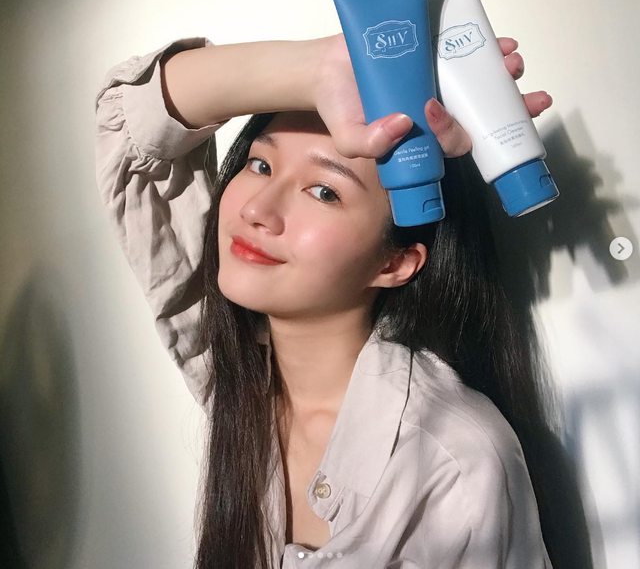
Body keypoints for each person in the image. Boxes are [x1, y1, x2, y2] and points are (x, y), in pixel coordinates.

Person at [94, 32, 555, 568]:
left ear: (396, 262)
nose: (257, 209)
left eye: (324, 191)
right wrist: (316, 67)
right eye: (261, 165)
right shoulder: (238, 373)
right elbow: (128, 126)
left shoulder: (455, 459)